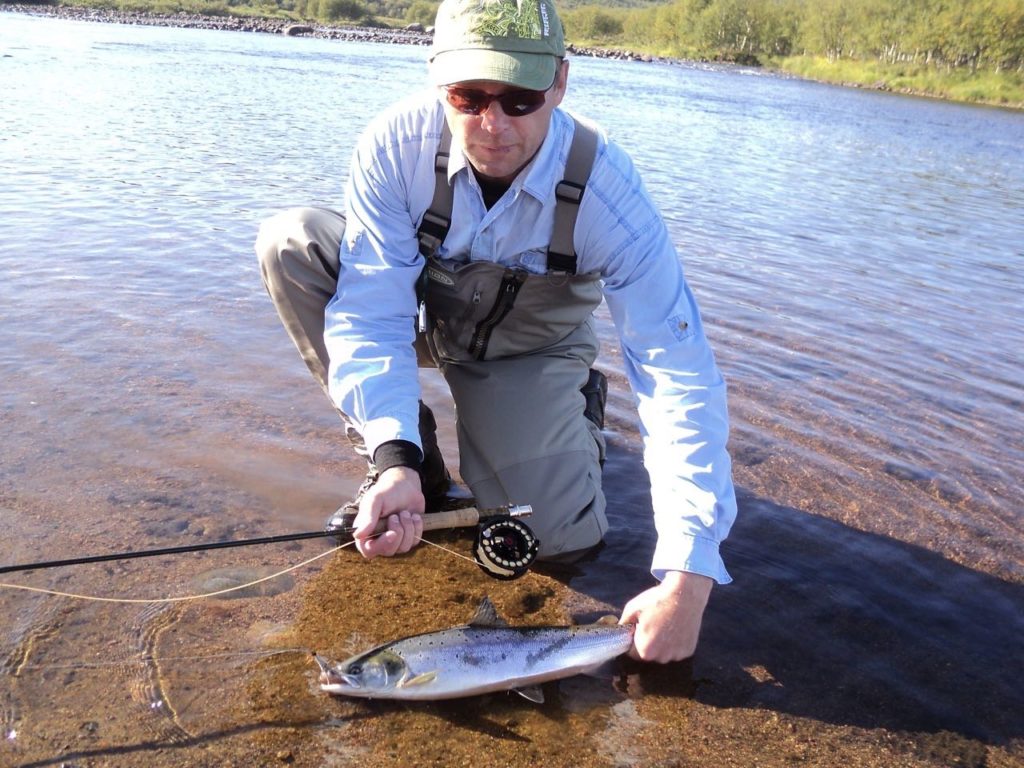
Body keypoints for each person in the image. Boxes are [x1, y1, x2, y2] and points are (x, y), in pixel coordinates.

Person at [256, 0, 737, 663]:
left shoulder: (610, 193)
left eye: (520, 98)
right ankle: (413, 457)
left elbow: (676, 372)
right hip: (422, 319)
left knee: (558, 544)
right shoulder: (394, 147)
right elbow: (373, 312)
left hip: (529, 349)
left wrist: (688, 575)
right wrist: (392, 459)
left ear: (560, 83)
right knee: (293, 241)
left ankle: (570, 422)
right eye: (469, 95)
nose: (492, 123)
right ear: (435, 80)